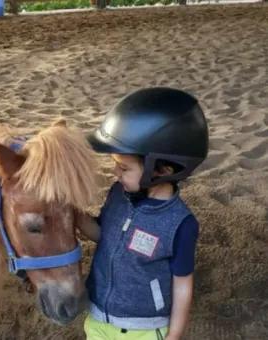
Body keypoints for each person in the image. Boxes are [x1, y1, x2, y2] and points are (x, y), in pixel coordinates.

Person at [79, 87, 209, 340]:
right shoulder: (118, 194)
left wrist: (174, 335)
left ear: (162, 169)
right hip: (98, 322)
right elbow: (103, 235)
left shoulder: (181, 224)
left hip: (145, 331)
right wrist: (75, 215)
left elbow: (183, 285)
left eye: (123, 168)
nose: (116, 174)